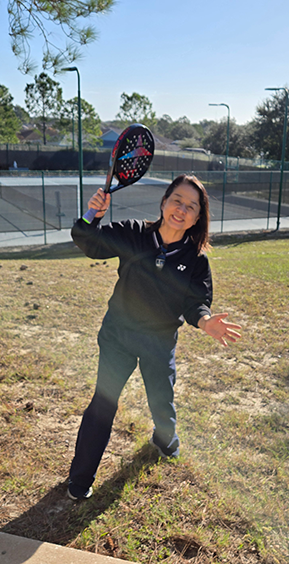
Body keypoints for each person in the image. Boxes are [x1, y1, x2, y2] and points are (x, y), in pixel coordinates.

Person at [67, 174, 242, 500]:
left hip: (159, 342)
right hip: (118, 336)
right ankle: (80, 479)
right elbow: (89, 242)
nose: (182, 210)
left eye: (191, 207)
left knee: (161, 398)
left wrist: (205, 322)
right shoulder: (134, 234)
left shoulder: (196, 259)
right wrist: (93, 214)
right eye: (177, 200)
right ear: (164, 203)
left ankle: (166, 441)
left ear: (197, 218)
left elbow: (195, 303)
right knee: (103, 404)